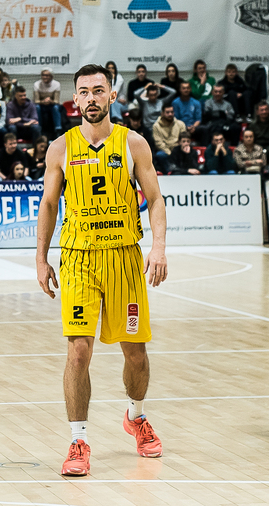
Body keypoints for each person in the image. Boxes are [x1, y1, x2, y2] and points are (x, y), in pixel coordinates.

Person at [36, 64, 167, 477]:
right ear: (74, 98)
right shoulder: (60, 148)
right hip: (79, 259)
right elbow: (49, 204)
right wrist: (41, 258)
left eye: (98, 90)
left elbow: (155, 198)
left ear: (112, 95)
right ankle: (78, 440)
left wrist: (158, 247)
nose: (91, 98)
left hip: (124, 257)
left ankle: (136, 416)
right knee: (78, 351)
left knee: (136, 355)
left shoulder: (133, 143)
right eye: (83, 91)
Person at [150, 102, 186, 174]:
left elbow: (184, 138)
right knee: (160, 155)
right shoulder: (156, 126)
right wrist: (170, 153)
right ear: (162, 113)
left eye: (172, 112)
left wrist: (176, 151)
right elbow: (159, 143)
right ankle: (170, 172)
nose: (170, 114)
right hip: (165, 151)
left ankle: (180, 172)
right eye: (167, 112)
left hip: (178, 150)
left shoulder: (180, 124)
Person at [33, 69, 62, 136]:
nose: (44, 77)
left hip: (51, 105)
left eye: (47, 75)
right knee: (37, 107)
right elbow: (36, 101)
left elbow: (57, 101)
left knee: (56, 108)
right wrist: (43, 101)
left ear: (51, 76)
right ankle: (39, 127)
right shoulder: (37, 84)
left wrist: (50, 101)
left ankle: (58, 128)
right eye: (43, 75)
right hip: (41, 105)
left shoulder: (56, 84)